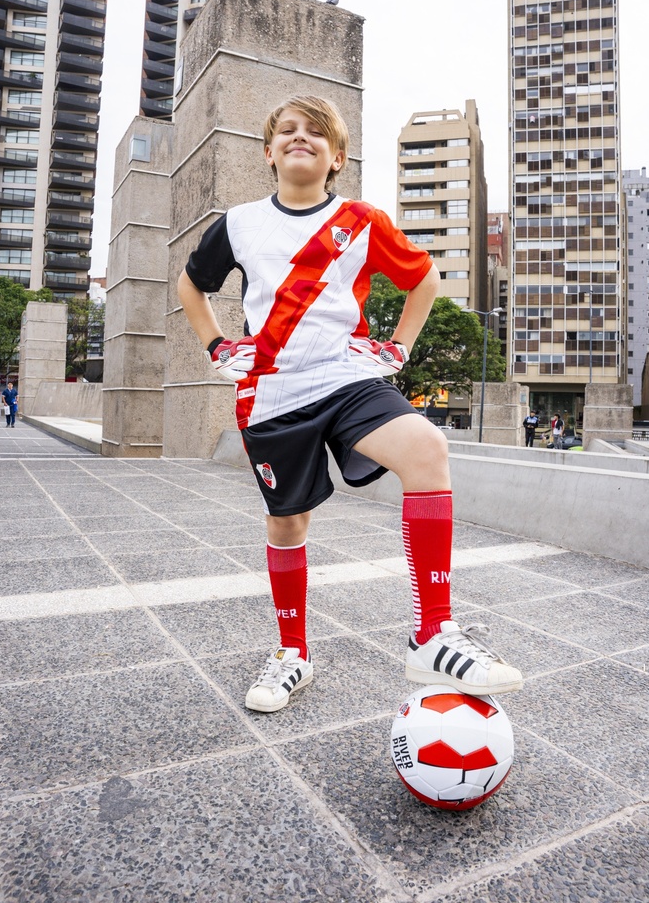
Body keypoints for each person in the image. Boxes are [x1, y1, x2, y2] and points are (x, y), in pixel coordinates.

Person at [178, 95, 522, 713]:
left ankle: (432, 632)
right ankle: (292, 654)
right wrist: (216, 345)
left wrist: (398, 348)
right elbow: (191, 284)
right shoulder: (239, 223)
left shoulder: (362, 220)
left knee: (426, 447)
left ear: (337, 157)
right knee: (288, 524)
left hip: (347, 378)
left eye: (316, 132)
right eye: (287, 130)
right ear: (268, 152)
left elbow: (423, 279)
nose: (299, 137)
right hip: (271, 393)